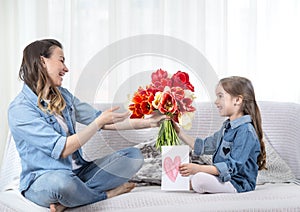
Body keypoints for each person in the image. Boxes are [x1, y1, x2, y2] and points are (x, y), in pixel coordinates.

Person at [8, 39, 165, 212]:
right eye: (61, 60)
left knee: (133, 156)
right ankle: (104, 194)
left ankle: (73, 199)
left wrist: (148, 122)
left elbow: (101, 120)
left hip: (79, 174)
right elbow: (63, 149)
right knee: (62, 184)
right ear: (43, 61)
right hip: (44, 180)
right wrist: (98, 123)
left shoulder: (63, 96)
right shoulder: (20, 109)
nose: (66, 69)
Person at [174, 76, 266, 194]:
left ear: (237, 100)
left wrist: (198, 169)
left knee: (198, 178)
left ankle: (193, 184)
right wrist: (179, 133)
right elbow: (203, 146)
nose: (216, 102)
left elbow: (231, 167)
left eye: (220, 96)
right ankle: (190, 183)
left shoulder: (246, 131)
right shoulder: (226, 128)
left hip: (237, 184)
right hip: (222, 178)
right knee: (191, 176)